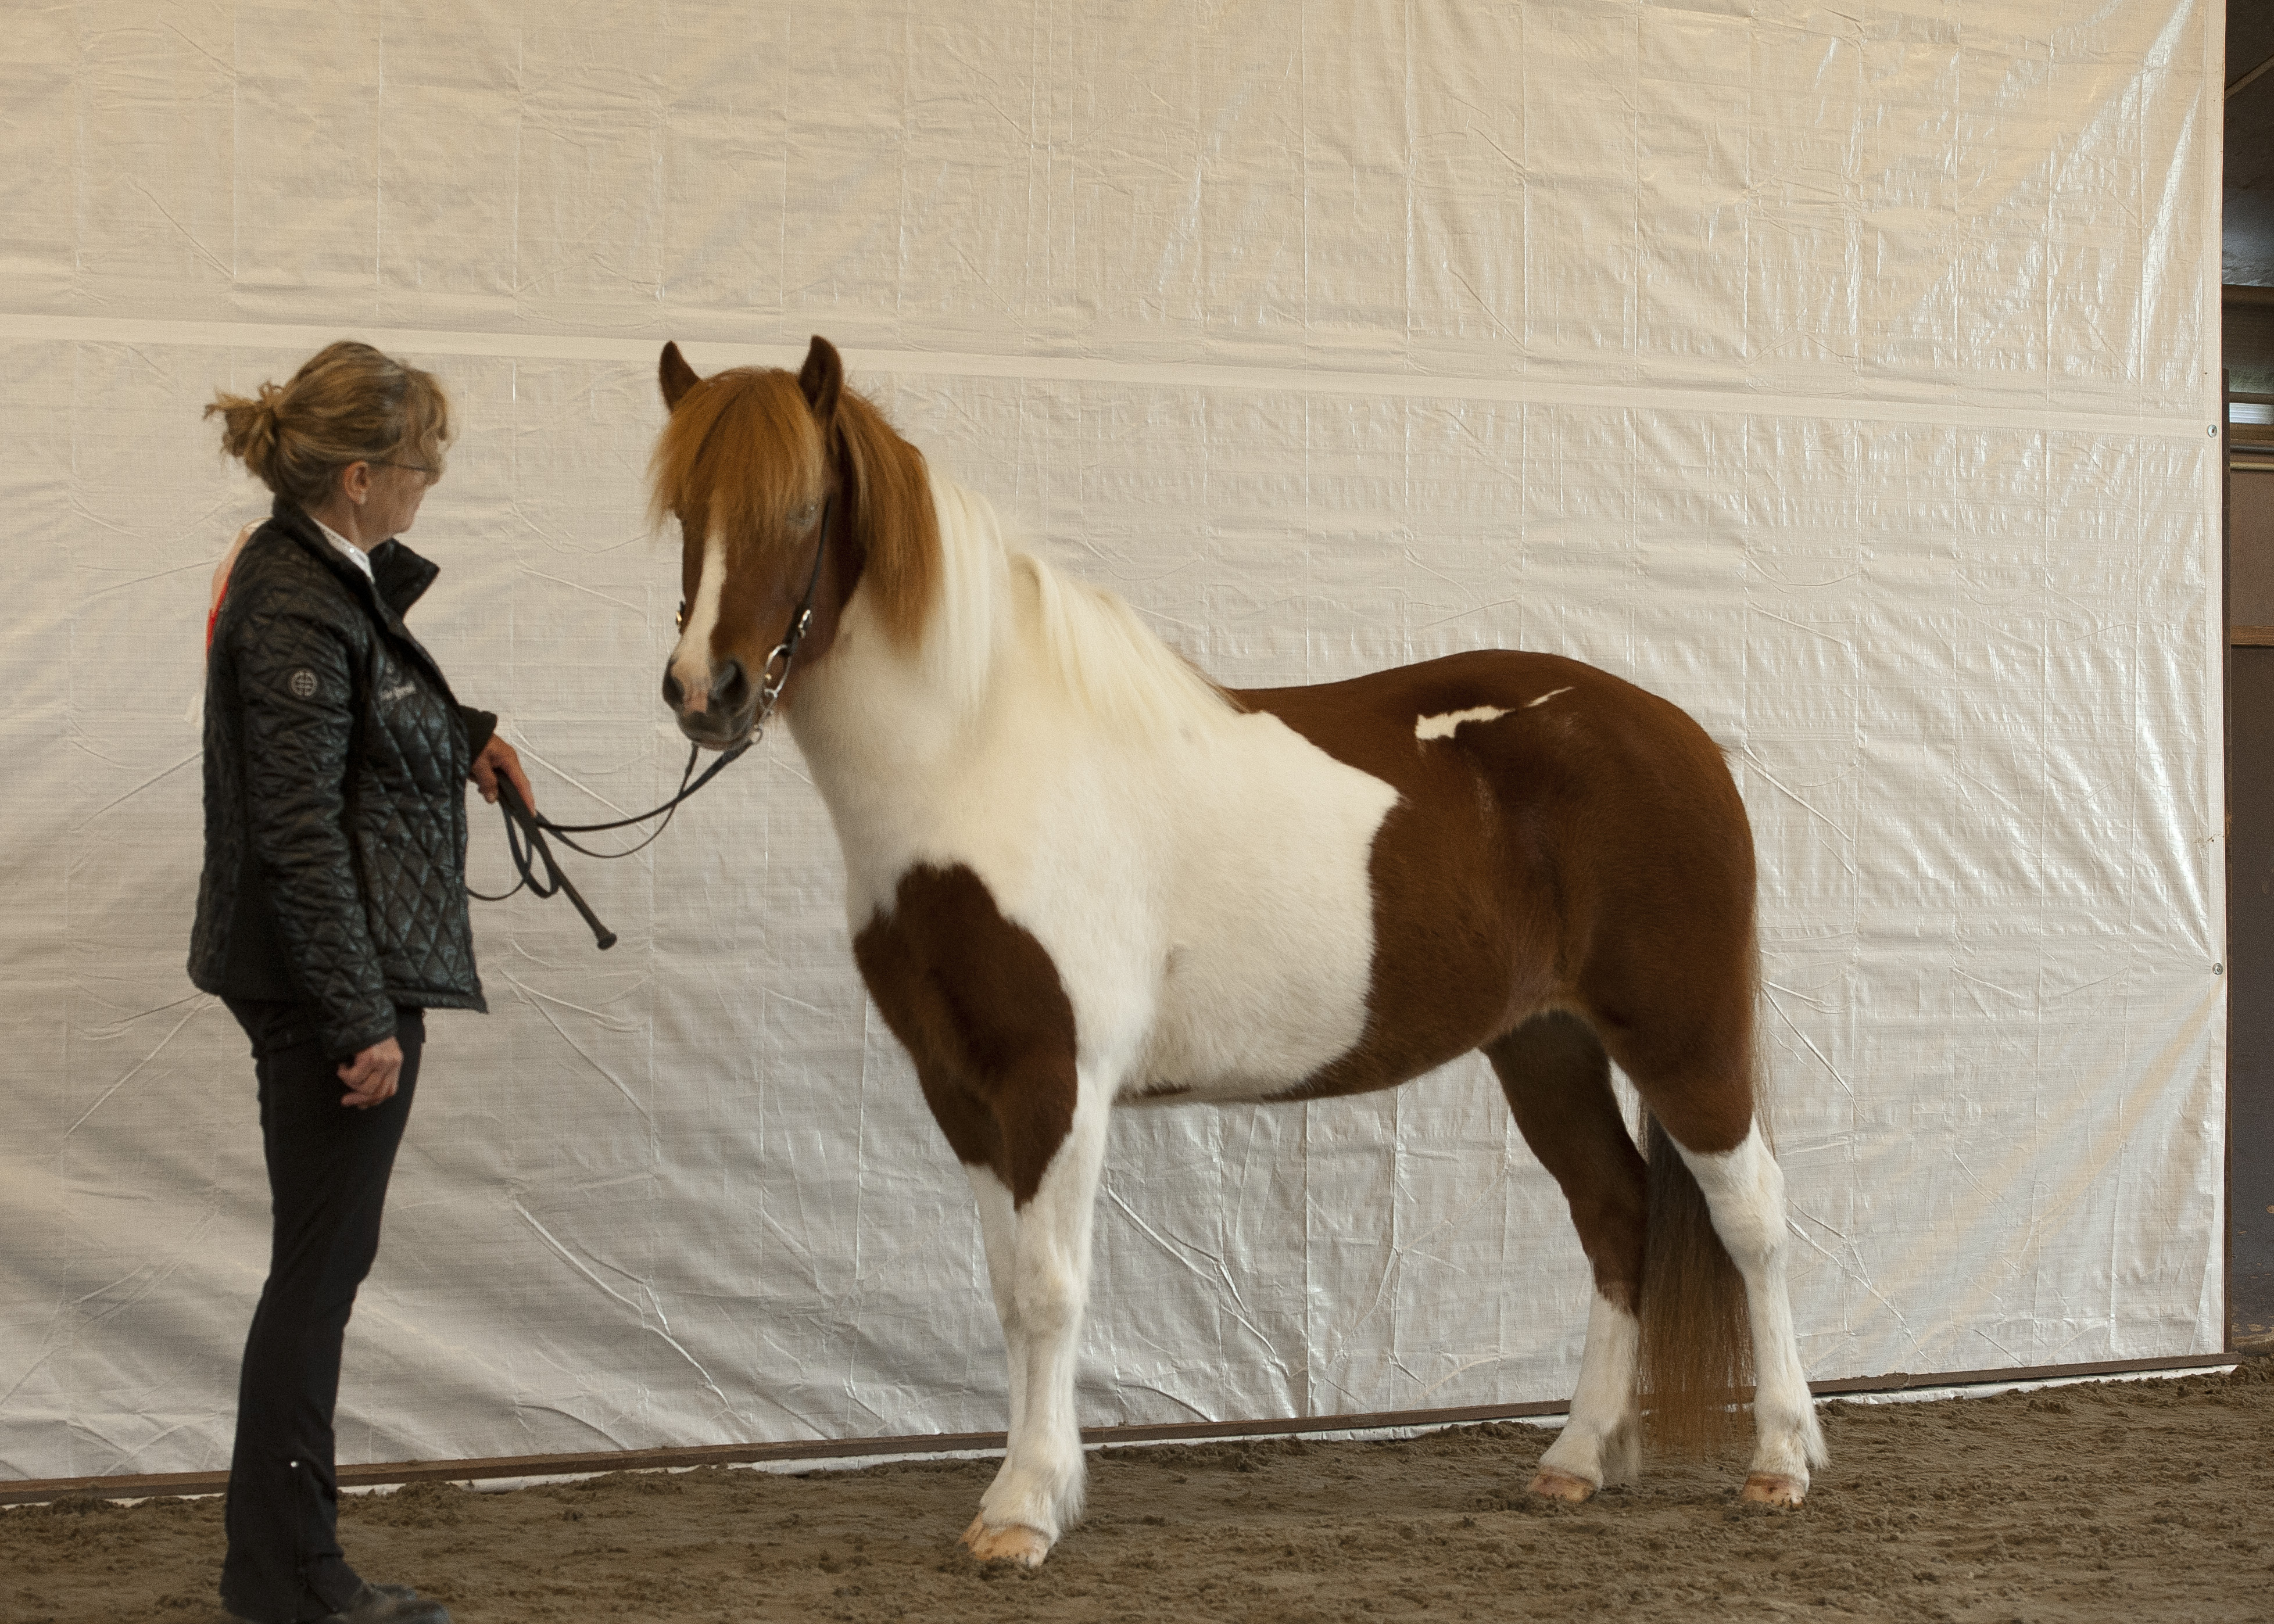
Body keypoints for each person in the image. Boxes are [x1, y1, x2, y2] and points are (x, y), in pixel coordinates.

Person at [191, 341, 532, 1624]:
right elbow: (293, 828)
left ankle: (274, 1569)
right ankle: (291, 1581)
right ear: (355, 478)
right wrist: (354, 1019)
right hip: (331, 984)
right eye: (417, 468)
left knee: (322, 1264)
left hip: (346, 970)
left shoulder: (321, 582)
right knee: (320, 1274)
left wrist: (469, 742)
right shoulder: (294, 597)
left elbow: (352, 730)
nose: (426, 488)